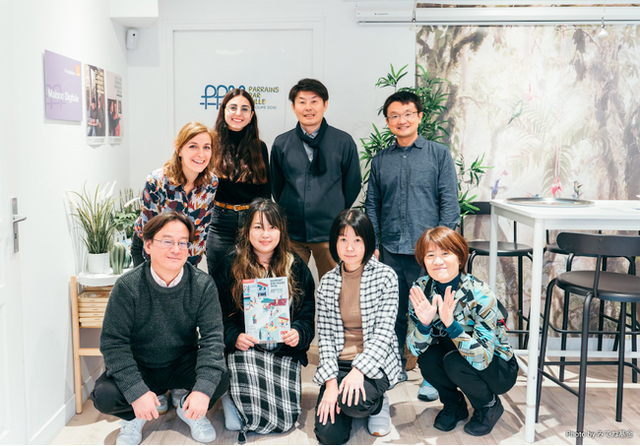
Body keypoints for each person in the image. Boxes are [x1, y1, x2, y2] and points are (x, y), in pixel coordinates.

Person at [90, 212, 229, 445]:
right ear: (148, 245)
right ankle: (135, 416)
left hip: (181, 362)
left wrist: (202, 391)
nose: (176, 249)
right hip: (141, 365)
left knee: (221, 377)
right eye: (167, 241)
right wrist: (136, 391)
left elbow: (213, 340)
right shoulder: (127, 286)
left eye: (182, 243)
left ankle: (187, 407)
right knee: (104, 395)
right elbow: (113, 343)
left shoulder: (202, 284)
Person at [364, 90, 460, 400]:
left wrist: (442, 249)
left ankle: (432, 376)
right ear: (388, 122)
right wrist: (373, 245)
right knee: (393, 313)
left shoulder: (438, 154)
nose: (401, 120)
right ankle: (394, 368)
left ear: (419, 116)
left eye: (407, 114)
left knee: (432, 311)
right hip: (391, 249)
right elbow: (372, 205)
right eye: (394, 115)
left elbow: (449, 203)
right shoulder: (381, 160)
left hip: (428, 253)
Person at [212, 198, 315, 442]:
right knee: (236, 420)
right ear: (247, 230)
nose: (265, 234)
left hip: (283, 351)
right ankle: (232, 399)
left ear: (281, 230)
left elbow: (307, 313)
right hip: (246, 351)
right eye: (258, 227)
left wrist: (298, 332)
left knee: (286, 421)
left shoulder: (296, 266)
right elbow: (216, 314)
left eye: (272, 227)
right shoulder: (229, 265)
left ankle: (243, 405)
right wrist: (234, 337)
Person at [407, 226, 518, 436]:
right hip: (455, 354)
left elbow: (483, 359)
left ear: (459, 258)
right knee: (427, 358)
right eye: (430, 255)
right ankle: (454, 404)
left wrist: (452, 326)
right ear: (423, 261)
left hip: (498, 367)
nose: (437, 261)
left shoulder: (481, 294)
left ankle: (488, 406)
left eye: (445, 253)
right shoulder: (421, 290)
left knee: (454, 361)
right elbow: (414, 349)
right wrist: (423, 325)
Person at [313, 209, 402, 445]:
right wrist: (331, 383)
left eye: (357, 240)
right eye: (343, 239)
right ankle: (348, 402)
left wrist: (359, 371)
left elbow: (384, 333)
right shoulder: (327, 282)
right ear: (335, 242)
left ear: (368, 242)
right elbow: (325, 338)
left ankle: (377, 404)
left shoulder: (385, 276)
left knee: (354, 403)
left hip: (375, 360)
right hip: (339, 363)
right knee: (328, 436)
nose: (349, 247)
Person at [271, 78, 361, 281]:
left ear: (325, 105)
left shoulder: (343, 141)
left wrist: (332, 208)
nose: (308, 107)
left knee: (335, 288)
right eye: (302, 102)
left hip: (330, 232)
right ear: (293, 107)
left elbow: (353, 184)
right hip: (292, 232)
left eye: (314, 101)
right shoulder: (281, 143)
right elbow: (277, 187)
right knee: (292, 287)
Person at [132, 121, 218, 267]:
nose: (201, 154)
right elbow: (150, 232)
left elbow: (201, 230)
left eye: (206, 147)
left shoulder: (210, 183)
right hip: (149, 249)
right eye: (193, 146)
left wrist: (190, 267)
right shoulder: (156, 181)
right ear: (179, 150)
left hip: (183, 250)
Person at [206, 89, 270, 275]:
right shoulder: (211, 144)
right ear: (224, 111)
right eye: (233, 107)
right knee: (218, 279)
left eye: (244, 109)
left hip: (251, 220)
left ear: (251, 115)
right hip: (219, 222)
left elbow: (266, 192)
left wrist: (261, 223)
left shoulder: (260, 147)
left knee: (251, 279)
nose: (238, 113)